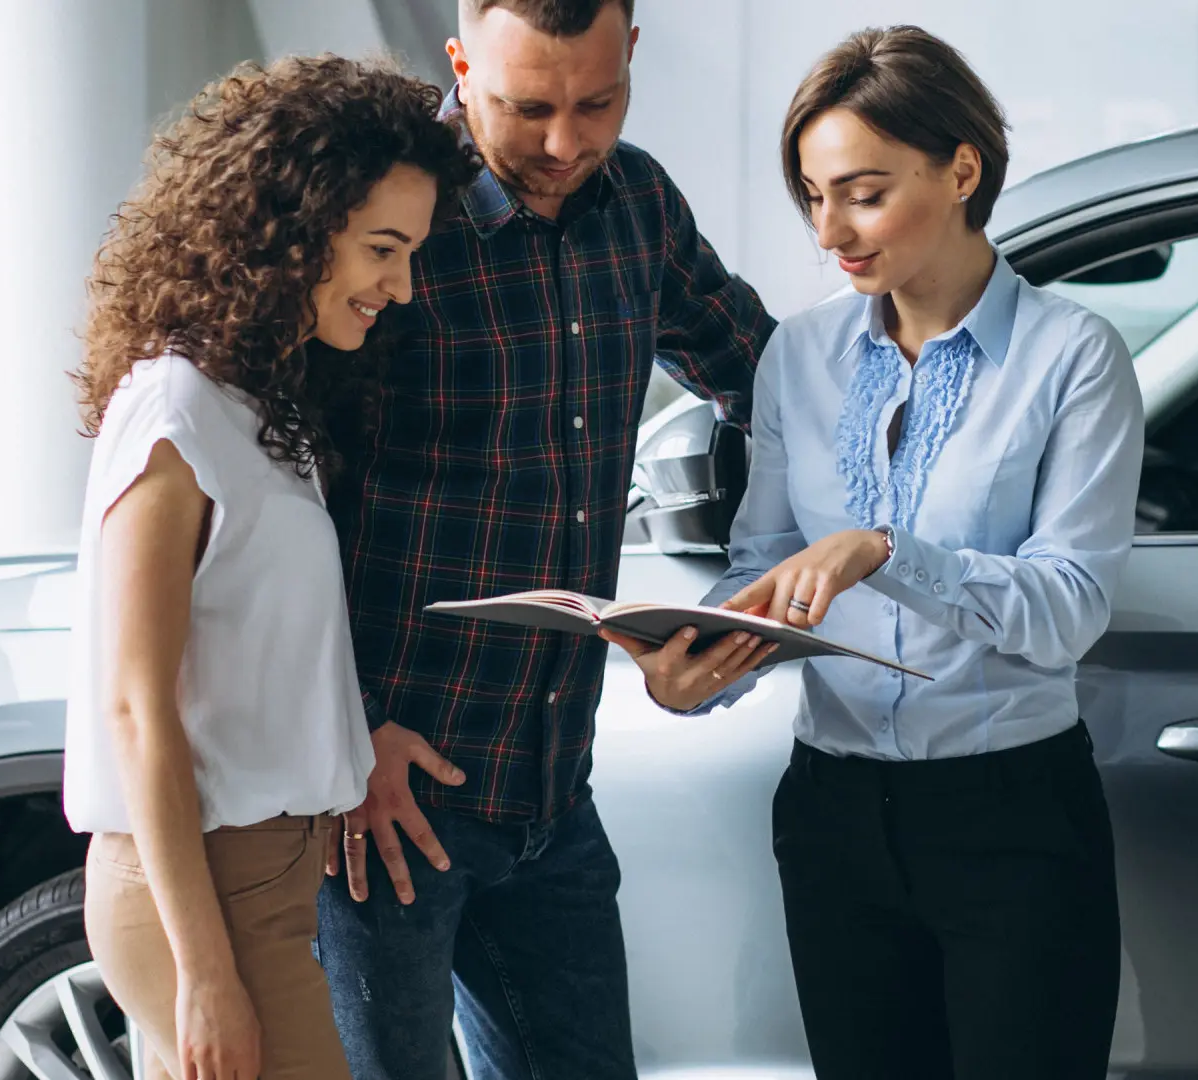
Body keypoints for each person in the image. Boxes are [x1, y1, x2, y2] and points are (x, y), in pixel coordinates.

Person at [608, 24, 1143, 1080]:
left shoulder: (1073, 357)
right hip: (832, 816)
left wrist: (884, 550)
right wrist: (693, 674)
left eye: (862, 192)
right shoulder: (798, 358)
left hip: (1012, 821)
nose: (831, 233)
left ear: (960, 169)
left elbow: (1071, 607)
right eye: (813, 197)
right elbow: (762, 560)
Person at [314, 1, 774, 1077]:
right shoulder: (388, 218)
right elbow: (281, 499)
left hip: (555, 796)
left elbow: (779, 387)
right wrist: (348, 732)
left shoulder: (641, 206)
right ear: (461, 66)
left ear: (631, 61)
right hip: (385, 804)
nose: (567, 144)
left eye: (597, 102)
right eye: (529, 108)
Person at [63, 56, 478, 1080]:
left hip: (262, 882)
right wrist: (205, 972)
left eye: (413, 254)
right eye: (383, 249)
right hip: (204, 897)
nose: (402, 287)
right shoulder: (174, 409)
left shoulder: (260, 404)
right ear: (293, 228)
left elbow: (245, 640)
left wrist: (345, 731)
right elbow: (135, 710)